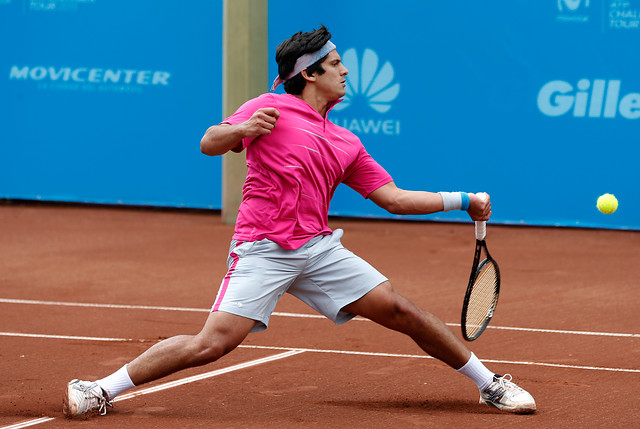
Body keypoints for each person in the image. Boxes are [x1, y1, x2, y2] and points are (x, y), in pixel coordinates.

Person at [63, 25, 536, 419]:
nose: (346, 71)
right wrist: (241, 131)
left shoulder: (345, 141)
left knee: (402, 311)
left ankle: (488, 384)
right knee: (212, 345)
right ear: (309, 73)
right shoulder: (269, 108)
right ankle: (99, 388)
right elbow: (209, 141)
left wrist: (462, 199)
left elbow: (392, 198)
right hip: (263, 247)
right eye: (335, 64)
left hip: (318, 248)